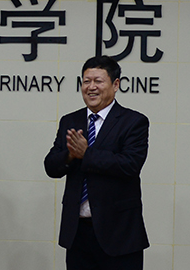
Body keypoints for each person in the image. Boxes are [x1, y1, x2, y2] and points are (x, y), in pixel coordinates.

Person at [43, 56, 150, 270]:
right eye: (86, 81)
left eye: (98, 81)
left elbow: (130, 165)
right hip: (78, 233)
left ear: (115, 84)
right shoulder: (70, 121)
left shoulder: (133, 121)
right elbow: (51, 167)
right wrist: (70, 155)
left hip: (119, 233)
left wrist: (87, 153)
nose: (91, 87)